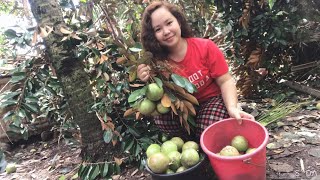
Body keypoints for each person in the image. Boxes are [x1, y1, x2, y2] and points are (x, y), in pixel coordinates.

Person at [137, 1, 254, 140]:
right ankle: (188, 142)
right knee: (162, 118)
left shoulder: (205, 47)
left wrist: (232, 108)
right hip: (184, 109)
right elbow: (156, 97)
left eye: (169, 23)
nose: (166, 31)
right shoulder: (156, 63)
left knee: (209, 128)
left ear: (178, 21)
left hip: (212, 101)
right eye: (158, 29)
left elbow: (225, 81)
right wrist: (144, 79)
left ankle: (205, 137)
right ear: (153, 36)